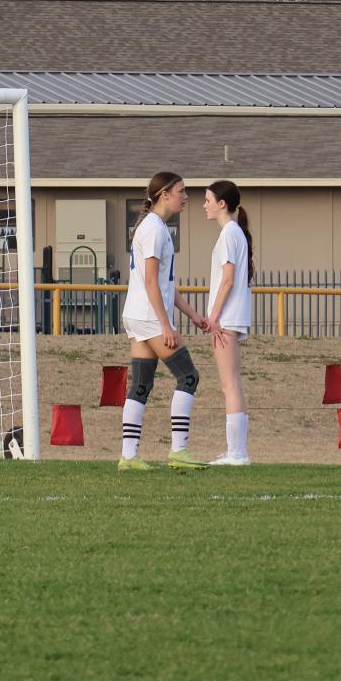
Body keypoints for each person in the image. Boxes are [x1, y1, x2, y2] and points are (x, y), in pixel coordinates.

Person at [118, 172, 211, 471]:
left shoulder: (152, 227)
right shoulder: (156, 230)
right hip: (149, 317)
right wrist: (166, 326)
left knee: (142, 385)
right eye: (181, 191)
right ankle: (178, 451)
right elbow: (151, 281)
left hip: (136, 315)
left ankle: (128, 457)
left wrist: (192, 314)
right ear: (164, 195)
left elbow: (164, 282)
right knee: (189, 376)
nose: (186, 196)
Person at [202, 180, 254, 466]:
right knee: (231, 384)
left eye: (208, 199)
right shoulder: (234, 234)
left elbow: (228, 279)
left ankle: (237, 453)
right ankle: (236, 451)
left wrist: (213, 318)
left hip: (226, 320)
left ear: (222, 203)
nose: (205, 205)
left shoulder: (228, 235)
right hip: (230, 319)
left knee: (229, 385)